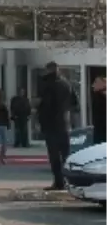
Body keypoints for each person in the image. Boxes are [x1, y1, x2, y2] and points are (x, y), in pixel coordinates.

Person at [36, 62, 73, 190]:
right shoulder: (66, 83)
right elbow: (75, 102)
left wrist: (40, 119)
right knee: (66, 155)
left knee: (54, 156)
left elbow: (46, 105)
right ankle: (69, 181)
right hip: (64, 124)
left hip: (51, 125)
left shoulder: (48, 84)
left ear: (49, 70)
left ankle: (59, 182)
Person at [91, 75, 107, 147]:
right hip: (100, 129)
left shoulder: (99, 97)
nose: (93, 85)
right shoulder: (97, 96)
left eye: (95, 83)